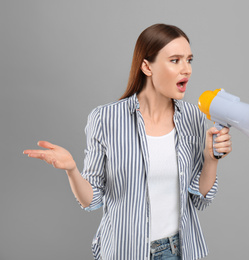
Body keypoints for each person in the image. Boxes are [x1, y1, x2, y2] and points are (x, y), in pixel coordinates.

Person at [23, 23, 232, 260]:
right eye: (175, 60)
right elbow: (92, 201)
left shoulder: (193, 117)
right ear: (146, 66)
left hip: (180, 250)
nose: (187, 69)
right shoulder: (105, 118)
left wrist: (211, 159)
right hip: (126, 250)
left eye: (189, 60)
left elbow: (200, 199)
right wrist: (72, 170)